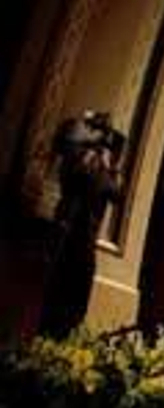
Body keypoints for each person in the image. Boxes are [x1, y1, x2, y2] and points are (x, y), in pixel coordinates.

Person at [38, 112, 124, 337]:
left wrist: (111, 166)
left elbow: (116, 194)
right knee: (54, 296)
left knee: (77, 299)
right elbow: (86, 180)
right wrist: (97, 156)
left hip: (86, 239)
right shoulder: (76, 156)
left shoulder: (102, 163)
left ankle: (65, 339)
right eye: (98, 130)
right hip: (67, 233)